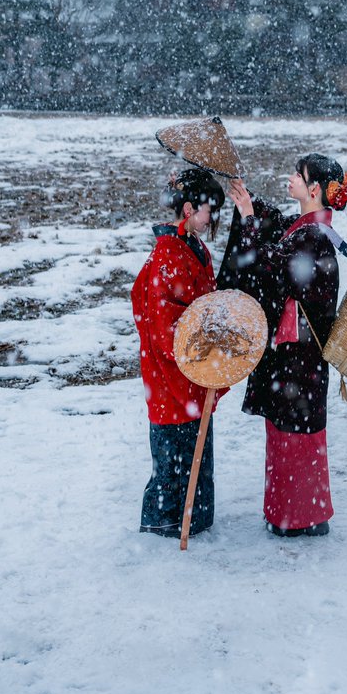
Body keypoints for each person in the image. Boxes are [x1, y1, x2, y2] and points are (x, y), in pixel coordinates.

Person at [226, 154, 347, 537]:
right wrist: (250, 204)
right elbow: (277, 232)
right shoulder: (307, 228)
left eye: (299, 175)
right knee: (287, 431)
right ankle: (293, 514)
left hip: (300, 358)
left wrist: (248, 220)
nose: (291, 178)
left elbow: (269, 264)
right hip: (294, 357)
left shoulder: (315, 239)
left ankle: (300, 518)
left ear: (314, 190)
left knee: (296, 434)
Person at [132, 167, 227, 538]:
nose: (212, 219)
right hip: (172, 377)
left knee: (192, 455)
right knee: (173, 461)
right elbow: (168, 331)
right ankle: (165, 528)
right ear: (188, 209)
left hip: (191, 375)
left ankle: (190, 520)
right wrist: (204, 343)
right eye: (209, 211)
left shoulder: (191, 248)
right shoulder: (168, 256)